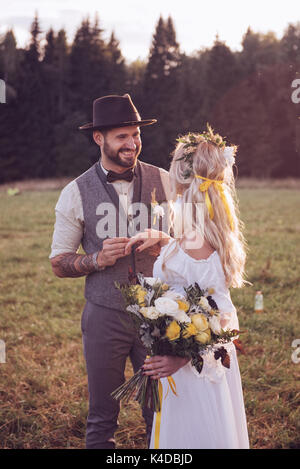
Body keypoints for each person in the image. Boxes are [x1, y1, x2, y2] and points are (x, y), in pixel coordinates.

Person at [49, 94, 171, 449]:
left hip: (160, 314)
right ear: (98, 138)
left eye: (135, 134)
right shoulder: (75, 192)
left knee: (161, 411)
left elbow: (191, 245)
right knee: (102, 414)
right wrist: (95, 260)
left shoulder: (165, 181)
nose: (132, 143)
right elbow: (59, 262)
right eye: (122, 136)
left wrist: (166, 239)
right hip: (104, 317)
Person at [125, 127, 250, 449]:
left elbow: (220, 316)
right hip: (200, 367)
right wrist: (167, 242)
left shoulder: (196, 239)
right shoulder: (204, 230)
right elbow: (198, 275)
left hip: (193, 372)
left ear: (180, 175)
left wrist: (181, 360)